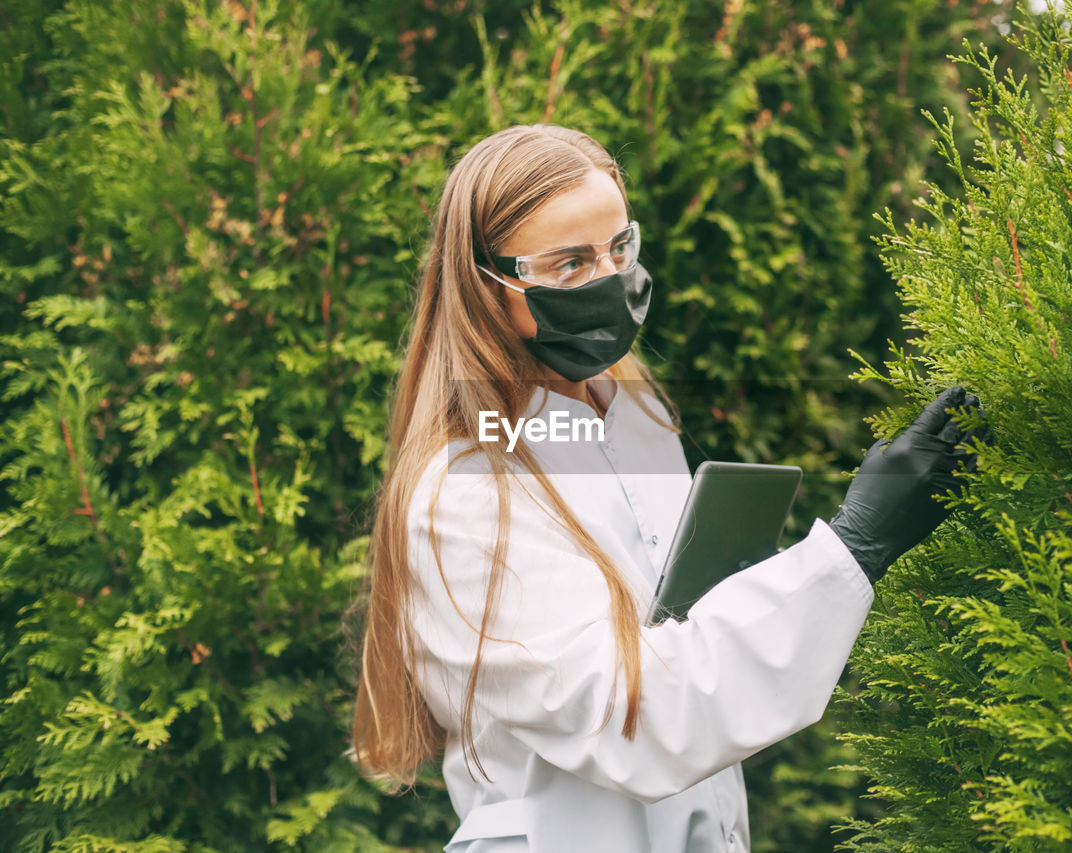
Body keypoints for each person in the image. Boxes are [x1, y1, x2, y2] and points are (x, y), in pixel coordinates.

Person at [350, 124, 990, 853]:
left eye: (619, 247)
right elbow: (640, 714)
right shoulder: (463, 492)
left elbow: (678, 639)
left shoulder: (634, 418)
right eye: (568, 264)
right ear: (486, 286)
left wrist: (765, 588)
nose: (609, 278)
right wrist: (853, 546)